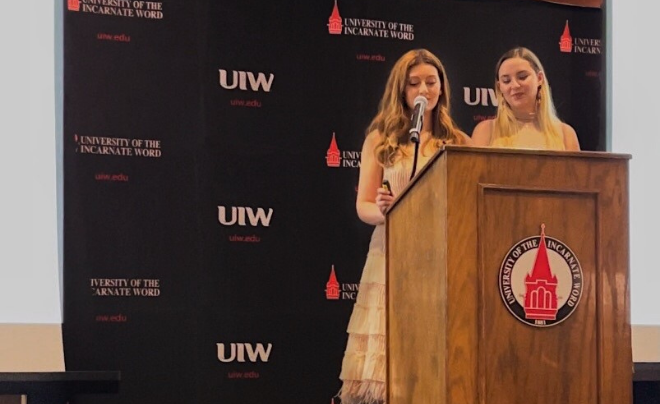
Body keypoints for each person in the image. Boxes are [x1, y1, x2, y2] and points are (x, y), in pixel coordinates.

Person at [337, 48, 471, 404]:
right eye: (414, 84)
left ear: (442, 88)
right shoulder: (381, 139)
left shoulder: (458, 143)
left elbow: (467, 207)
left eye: (431, 82)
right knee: (387, 360)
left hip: (439, 256)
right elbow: (364, 206)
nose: (424, 90)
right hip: (391, 253)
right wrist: (387, 211)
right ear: (402, 90)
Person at [471, 47, 580, 151]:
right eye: (506, 81)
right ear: (500, 88)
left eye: (522, 77)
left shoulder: (566, 134)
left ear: (539, 78)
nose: (515, 85)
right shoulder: (485, 132)